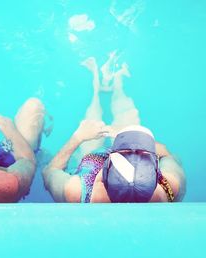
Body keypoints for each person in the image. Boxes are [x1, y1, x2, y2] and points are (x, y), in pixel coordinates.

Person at [42, 53, 186, 203]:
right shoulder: (168, 189)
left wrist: (78, 137)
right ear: (155, 173)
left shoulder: (77, 191)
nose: (132, 149)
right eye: (139, 153)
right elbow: (170, 157)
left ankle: (96, 86)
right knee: (130, 115)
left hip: (91, 158)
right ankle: (117, 82)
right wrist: (125, 133)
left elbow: (49, 172)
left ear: (105, 171)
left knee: (91, 123)